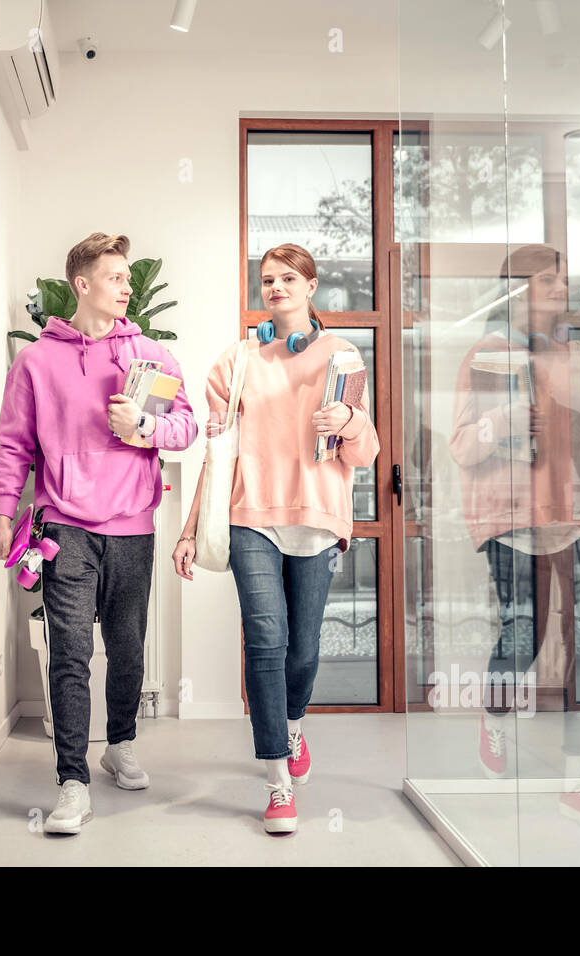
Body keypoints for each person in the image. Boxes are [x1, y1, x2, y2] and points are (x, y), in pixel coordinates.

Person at [0, 232, 198, 835]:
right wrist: (5, 511)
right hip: (64, 526)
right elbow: (13, 445)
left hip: (133, 525)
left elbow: (185, 428)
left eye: (129, 278)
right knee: (71, 652)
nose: (127, 287)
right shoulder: (36, 361)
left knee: (129, 648)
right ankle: (73, 782)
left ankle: (121, 744)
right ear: (82, 285)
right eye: (115, 277)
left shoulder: (151, 358)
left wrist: (144, 427)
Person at [173, 243, 379, 835]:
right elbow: (216, 457)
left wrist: (350, 423)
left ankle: (292, 723)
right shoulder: (235, 363)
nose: (277, 287)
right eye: (268, 280)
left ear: (311, 286)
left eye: (289, 278)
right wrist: (189, 531)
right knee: (265, 636)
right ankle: (277, 779)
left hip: (316, 517)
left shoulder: (342, 355)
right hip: (250, 516)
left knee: (304, 647)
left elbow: (366, 454)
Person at [449, 243, 580, 830]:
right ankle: (496, 718)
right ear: (518, 289)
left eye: (562, 277)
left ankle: (579, 781)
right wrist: (498, 422)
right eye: (549, 278)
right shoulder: (486, 357)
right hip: (513, 515)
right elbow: (461, 447)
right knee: (523, 634)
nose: (560, 285)